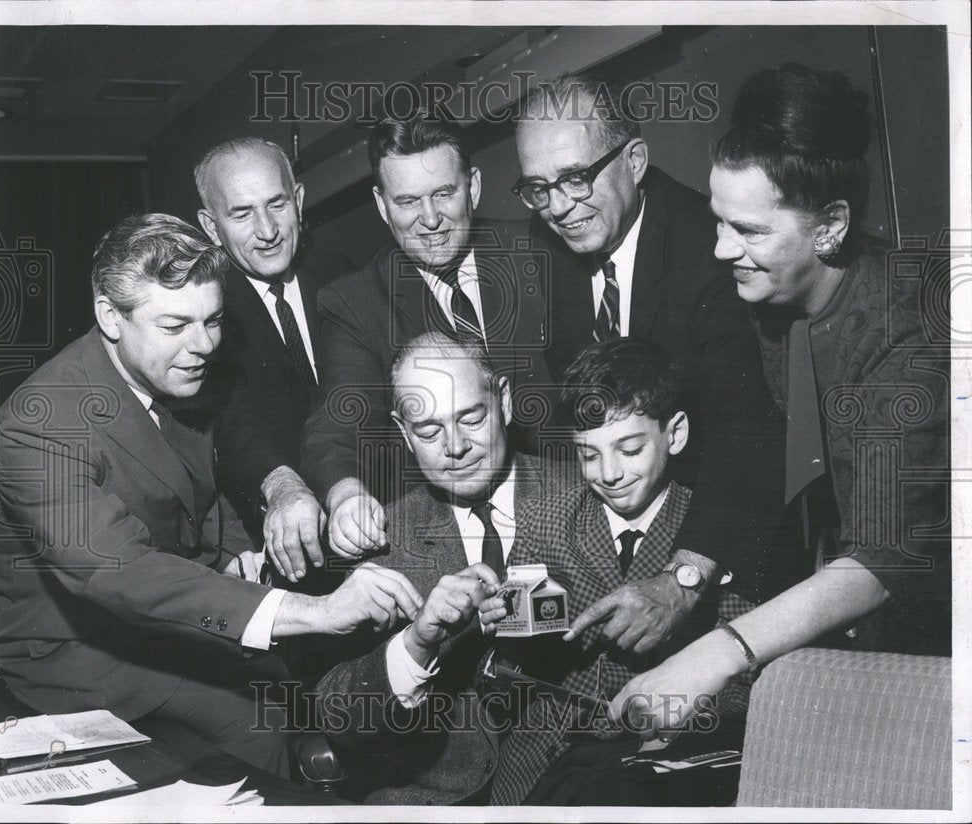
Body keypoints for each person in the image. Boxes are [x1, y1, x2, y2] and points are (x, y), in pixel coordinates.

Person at [0, 214, 423, 778]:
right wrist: (318, 611)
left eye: (213, 320)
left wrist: (238, 555)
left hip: (163, 619)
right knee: (261, 728)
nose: (204, 345)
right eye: (175, 325)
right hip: (79, 649)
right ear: (110, 316)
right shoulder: (39, 422)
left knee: (324, 689)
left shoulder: (173, 370)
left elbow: (195, 492)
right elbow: (117, 571)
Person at [606, 64, 950, 736]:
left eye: (750, 231)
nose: (721, 248)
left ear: (830, 227)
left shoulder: (905, 330)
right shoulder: (768, 305)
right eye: (718, 222)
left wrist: (716, 656)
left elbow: (883, 560)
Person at [512, 73, 791, 648]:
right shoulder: (545, 246)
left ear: (634, 160)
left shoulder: (710, 248)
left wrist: (684, 579)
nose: (558, 208)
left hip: (719, 544)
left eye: (575, 178)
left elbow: (746, 427)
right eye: (538, 188)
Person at [477, 338, 755, 805]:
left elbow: (747, 675)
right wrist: (498, 628)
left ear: (676, 434)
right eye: (589, 455)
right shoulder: (546, 519)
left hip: (660, 758)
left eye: (630, 449)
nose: (609, 473)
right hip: (541, 759)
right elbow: (513, 661)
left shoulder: (710, 537)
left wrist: (681, 710)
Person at [312, 331, 567, 804]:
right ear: (404, 433)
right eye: (429, 431)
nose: (456, 446)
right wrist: (417, 644)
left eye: (471, 418)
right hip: (434, 802)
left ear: (505, 401)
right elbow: (337, 715)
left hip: (575, 789)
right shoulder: (386, 538)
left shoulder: (586, 492)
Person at [299, 113, 551, 565]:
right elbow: (337, 423)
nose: (430, 219)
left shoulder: (537, 252)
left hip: (562, 513)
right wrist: (346, 494)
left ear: (473, 187)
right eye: (408, 201)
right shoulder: (355, 303)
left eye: (443, 194)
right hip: (445, 546)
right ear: (382, 206)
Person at [195, 137, 351, 582]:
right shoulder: (203, 309)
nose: (267, 231)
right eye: (242, 214)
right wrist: (280, 483)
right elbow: (230, 418)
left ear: (298, 201)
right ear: (211, 227)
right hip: (273, 550)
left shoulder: (341, 274)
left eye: (277, 204)